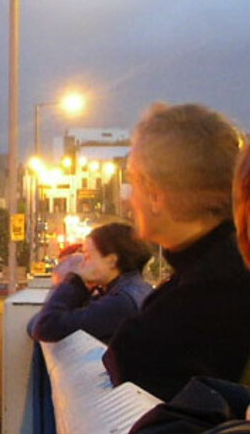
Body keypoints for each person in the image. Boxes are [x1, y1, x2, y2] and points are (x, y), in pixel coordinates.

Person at [101, 102, 250, 401]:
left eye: (132, 181)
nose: (129, 200)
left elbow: (131, 358)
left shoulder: (208, 292)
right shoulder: (221, 265)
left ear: (156, 195)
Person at [27, 220, 154, 344]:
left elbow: (46, 326)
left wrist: (76, 282)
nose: (82, 264)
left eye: (87, 257)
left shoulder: (121, 303)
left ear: (112, 261)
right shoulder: (133, 291)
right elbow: (37, 324)